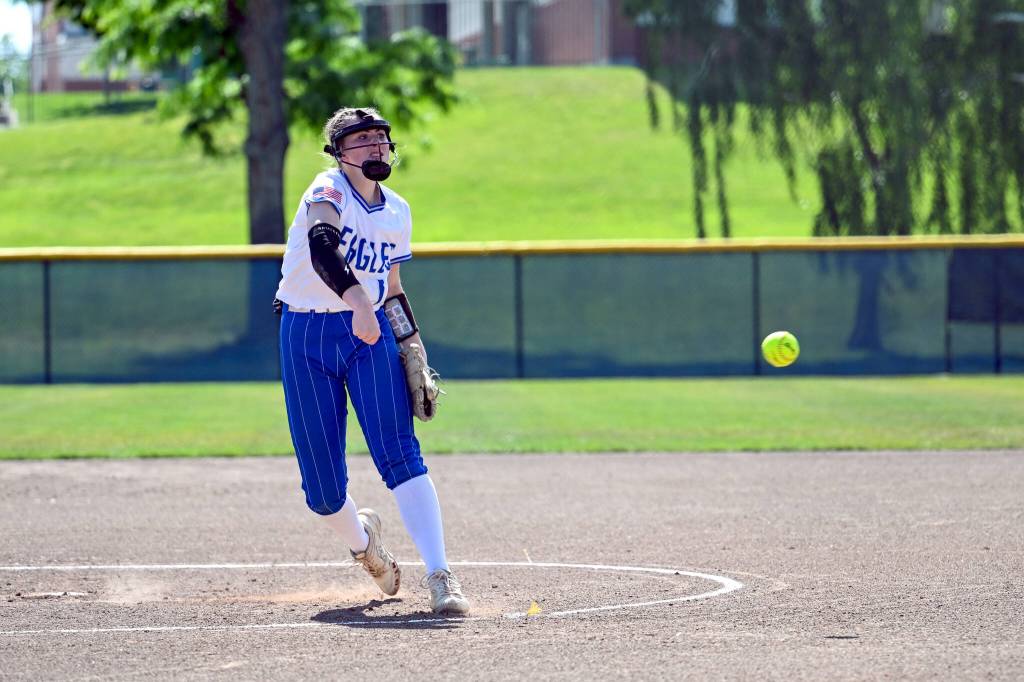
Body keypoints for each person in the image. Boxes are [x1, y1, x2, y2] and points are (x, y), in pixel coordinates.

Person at [273, 107, 469, 617]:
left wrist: (411, 343)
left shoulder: (398, 211)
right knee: (321, 488)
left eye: (381, 138)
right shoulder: (328, 189)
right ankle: (365, 545)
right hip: (307, 333)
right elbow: (321, 246)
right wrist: (359, 300)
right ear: (338, 152)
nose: (375, 147)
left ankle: (441, 576)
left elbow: (395, 290)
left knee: (401, 453)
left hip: (372, 336)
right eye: (360, 140)